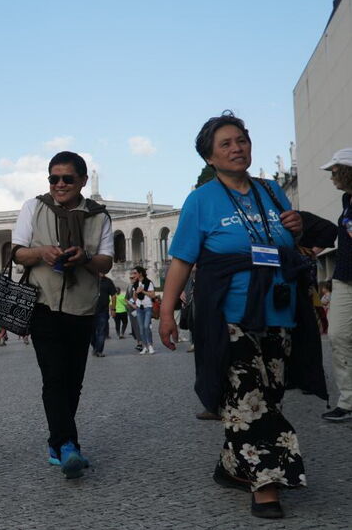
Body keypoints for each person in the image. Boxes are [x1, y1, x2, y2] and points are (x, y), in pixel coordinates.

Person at [158, 112, 327, 519]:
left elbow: (289, 243)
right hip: (228, 312)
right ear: (210, 158)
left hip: (277, 310)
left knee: (269, 393)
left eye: (242, 140)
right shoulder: (202, 199)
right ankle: (266, 484)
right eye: (226, 144)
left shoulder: (271, 192)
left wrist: (297, 227)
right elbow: (182, 260)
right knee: (248, 396)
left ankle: (232, 466)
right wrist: (166, 311)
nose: (237, 148)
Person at [11, 150, 113, 479]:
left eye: (67, 178)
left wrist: (84, 257)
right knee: (54, 376)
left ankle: (56, 443)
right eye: (53, 178)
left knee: (74, 381)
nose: (59, 184)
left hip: (82, 306)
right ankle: (69, 444)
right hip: (43, 303)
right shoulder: (34, 207)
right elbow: (18, 253)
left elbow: (106, 262)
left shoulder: (99, 216)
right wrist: (41, 252)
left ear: (83, 181)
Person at [320, 148, 352, 422]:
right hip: (343, 277)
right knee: (338, 335)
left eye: (334, 171)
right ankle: (348, 401)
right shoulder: (347, 199)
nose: (331, 177)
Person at [129, 266, 157, 354]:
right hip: (139, 308)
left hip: (147, 307)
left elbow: (153, 295)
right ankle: (145, 347)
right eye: (133, 273)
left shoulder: (149, 282)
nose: (134, 275)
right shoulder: (135, 283)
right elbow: (134, 297)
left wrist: (143, 291)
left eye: (135, 273)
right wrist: (137, 292)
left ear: (140, 273)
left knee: (146, 327)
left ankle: (150, 345)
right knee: (141, 329)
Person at [91, 272, 116, 357]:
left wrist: (113, 309)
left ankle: (99, 350)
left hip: (103, 311)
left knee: (101, 332)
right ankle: (95, 347)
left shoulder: (108, 281)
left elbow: (113, 296)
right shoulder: (91, 279)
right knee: (91, 332)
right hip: (90, 311)